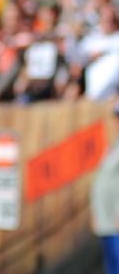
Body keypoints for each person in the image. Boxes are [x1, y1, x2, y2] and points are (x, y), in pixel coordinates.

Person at [92, 102, 119, 274]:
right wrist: (96, 213)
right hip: (106, 219)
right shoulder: (113, 146)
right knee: (111, 264)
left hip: (116, 219)